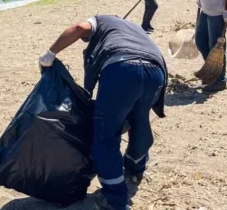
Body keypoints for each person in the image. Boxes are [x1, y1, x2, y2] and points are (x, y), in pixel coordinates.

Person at [39, 15, 167, 210]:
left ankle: (114, 199)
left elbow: (78, 28)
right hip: (156, 70)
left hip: (122, 68)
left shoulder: (99, 20)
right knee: (139, 120)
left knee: (105, 135)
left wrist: (50, 53)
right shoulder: (132, 27)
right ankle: (135, 168)